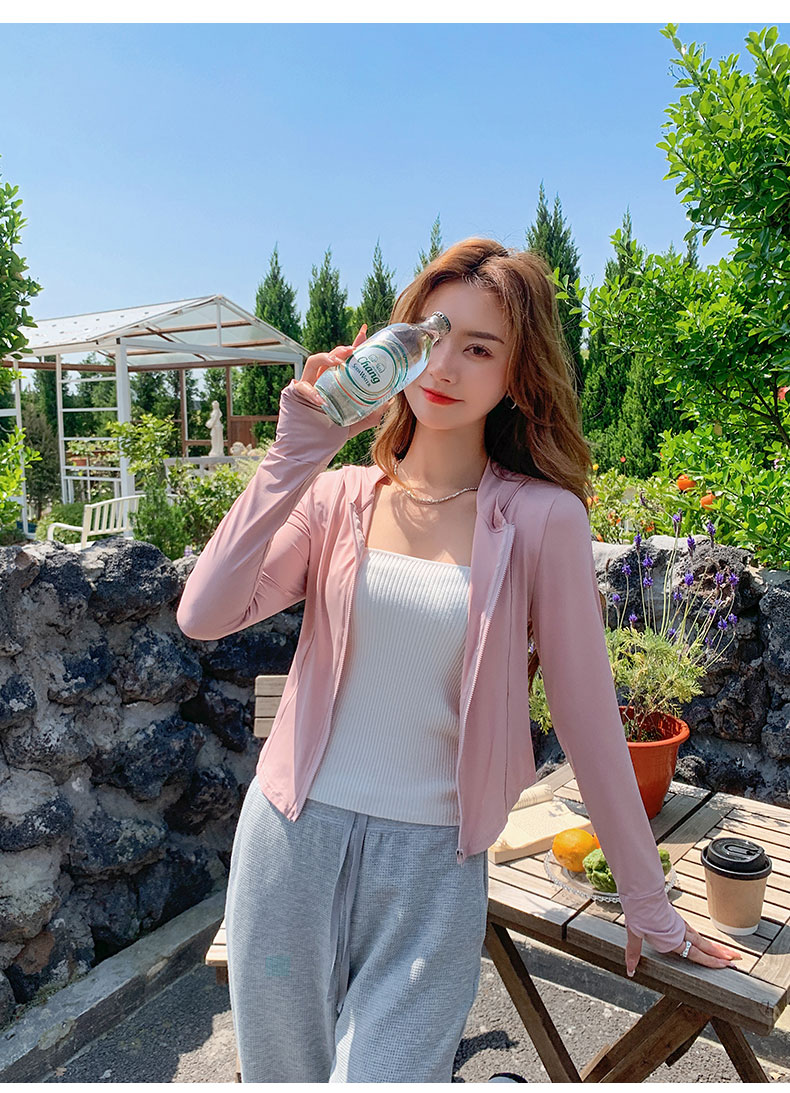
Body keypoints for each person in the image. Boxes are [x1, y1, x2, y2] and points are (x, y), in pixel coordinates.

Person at [176, 238, 742, 1083]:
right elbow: (204, 612)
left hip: (433, 865)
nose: (443, 366)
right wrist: (297, 450)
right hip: (290, 846)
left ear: (516, 374)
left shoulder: (543, 519)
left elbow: (588, 717)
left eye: (480, 348)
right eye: (431, 336)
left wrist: (648, 903)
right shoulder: (334, 499)